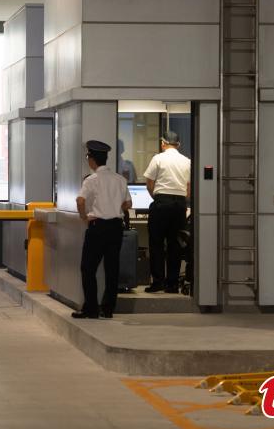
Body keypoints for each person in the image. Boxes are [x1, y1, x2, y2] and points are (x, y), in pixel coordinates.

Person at [73, 140, 132, 320]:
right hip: (115, 228)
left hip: (97, 227)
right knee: (112, 269)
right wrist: (115, 207)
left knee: (88, 268)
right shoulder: (120, 179)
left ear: (92, 160)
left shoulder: (91, 180)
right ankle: (107, 309)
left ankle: (91, 308)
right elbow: (128, 204)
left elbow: (80, 201)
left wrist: (84, 217)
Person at [143, 131, 191, 293]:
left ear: (163, 143)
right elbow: (189, 187)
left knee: (156, 243)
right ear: (178, 145)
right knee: (175, 244)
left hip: (161, 202)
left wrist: (156, 197)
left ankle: (158, 282)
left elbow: (149, 182)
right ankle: (172, 284)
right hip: (180, 204)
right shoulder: (187, 161)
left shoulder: (158, 158)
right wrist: (182, 200)